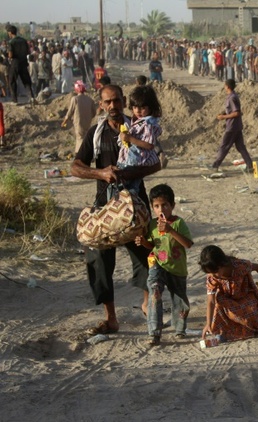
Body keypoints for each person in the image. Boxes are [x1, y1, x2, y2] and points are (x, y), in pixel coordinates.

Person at [71, 84, 161, 335]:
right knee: (98, 260)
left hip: (134, 203)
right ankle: (111, 319)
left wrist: (129, 172)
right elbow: (75, 167)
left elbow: (157, 162)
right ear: (101, 105)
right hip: (106, 208)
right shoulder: (96, 133)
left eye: (117, 101)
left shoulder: (138, 127)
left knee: (146, 254)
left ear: (124, 101)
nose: (113, 106)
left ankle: (147, 306)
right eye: (108, 102)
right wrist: (100, 172)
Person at [135, 184, 193, 346]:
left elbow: (188, 244)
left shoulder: (178, 223)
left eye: (165, 205)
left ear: (172, 206)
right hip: (157, 265)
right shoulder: (152, 225)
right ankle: (154, 332)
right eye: (156, 206)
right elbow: (152, 245)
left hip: (177, 268)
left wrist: (170, 230)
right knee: (154, 292)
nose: (161, 209)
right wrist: (143, 242)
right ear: (152, 207)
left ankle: (180, 329)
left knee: (180, 301)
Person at [199, 245, 258, 346]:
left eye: (215, 272)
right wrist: (208, 324)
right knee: (219, 301)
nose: (213, 275)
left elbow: (257, 267)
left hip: (245, 296)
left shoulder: (239, 266)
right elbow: (211, 301)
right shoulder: (212, 277)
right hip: (229, 301)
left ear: (222, 264)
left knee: (250, 315)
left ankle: (256, 329)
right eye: (210, 273)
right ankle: (223, 333)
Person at [117, 85, 162, 194]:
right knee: (122, 190)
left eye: (142, 108)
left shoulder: (147, 123)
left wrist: (129, 138)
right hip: (129, 161)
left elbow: (149, 145)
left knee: (129, 191)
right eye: (135, 107)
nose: (138, 110)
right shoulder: (139, 121)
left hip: (134, 163)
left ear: (150, 107)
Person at [211, 79, 253, 173]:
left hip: (232, 127)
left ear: (227, 86)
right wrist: (224, 113)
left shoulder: (232, 98)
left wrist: (223, 117)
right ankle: (250, 165)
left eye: (225, 85)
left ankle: (215, 165)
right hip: (237, 126)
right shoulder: (233, 96)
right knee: (240, 147)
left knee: (224, 146)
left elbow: (237, 113)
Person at [61, 80, 97, 153]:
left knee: (79, 137)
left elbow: (69, 112)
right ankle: (87, 152)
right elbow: (94, 112)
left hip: (78, 121)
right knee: (86, 137)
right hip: (87, 121)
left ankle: (80, 154)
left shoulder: (75, 99)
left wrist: (64, 121)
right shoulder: (90, 100)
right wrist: (88, 117)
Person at [6, 24, 36, 104]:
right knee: (26, 81)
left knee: (12, 80)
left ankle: (14, 100)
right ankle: (31, 97)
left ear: (10, 32)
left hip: (15, 63)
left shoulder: (11, 42)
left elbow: (10, 55)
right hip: (23, 63)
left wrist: (8, 55)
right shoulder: (23, 40)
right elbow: (28, 51)